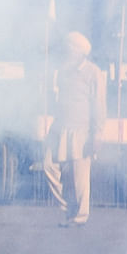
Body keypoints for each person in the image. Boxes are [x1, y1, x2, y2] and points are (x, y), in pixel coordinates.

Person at [44, 31, 106, 227]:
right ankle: (67, 206)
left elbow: (99, 104)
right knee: (48, 165)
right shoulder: (62, 71)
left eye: (68, 47)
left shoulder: (93, 72)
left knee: (80, 177)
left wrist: (97, 133)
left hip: (82, 130)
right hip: (60, 127)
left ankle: (79, 217)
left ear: (78, 51)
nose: (65, 50)